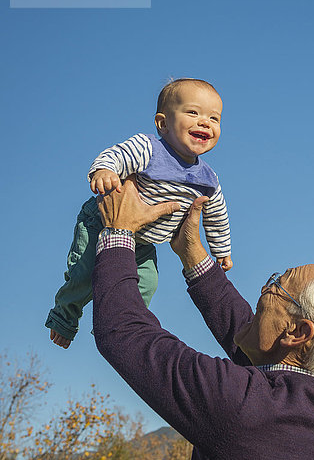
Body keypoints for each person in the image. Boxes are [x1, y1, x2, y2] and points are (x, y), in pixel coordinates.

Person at [92, 180, 314, 460]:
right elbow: (256, 347)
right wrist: (193, 254)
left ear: (297, 333)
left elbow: (123, 332)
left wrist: (117, 232)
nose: (264, 288)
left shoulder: (244, 407)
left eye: (278, 285)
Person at [46, 78, 232, 349]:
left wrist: (221, 249)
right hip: (102, 224)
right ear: (163, 123)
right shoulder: (148, 149)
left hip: (142, 244)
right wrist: (105, 171)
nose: (205, 122)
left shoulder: (207, 177)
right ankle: (65, 316)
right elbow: (116, 155)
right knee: (82, 275)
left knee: (145, 285)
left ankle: (114, 326)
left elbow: (216, 214)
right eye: (193, 112)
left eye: (214, 118)